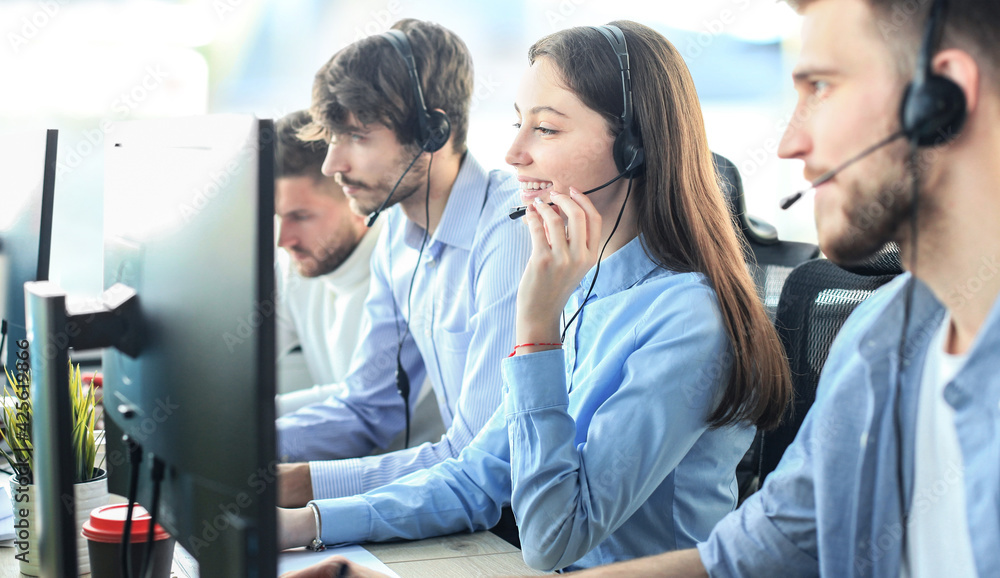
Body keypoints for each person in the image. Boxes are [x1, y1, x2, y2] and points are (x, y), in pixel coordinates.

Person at [390, 0, 995, 576]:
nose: (790, 143)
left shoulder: (686, 313)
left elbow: (558, 533)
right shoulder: (880, 336)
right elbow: (761, 549)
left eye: (821, 88)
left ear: (940, 100)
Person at [278, 20, 792, 574]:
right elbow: (476, 476)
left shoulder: (687, 319)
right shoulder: (585, 289)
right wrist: (306, 522)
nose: (513, 153)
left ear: (634, 147)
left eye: (545, 129)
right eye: (518, 123)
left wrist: (537, 327)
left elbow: (553, 537)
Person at [275, 19, 531, 508]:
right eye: (333, 137)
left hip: (514, 523)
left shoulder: (509, 231)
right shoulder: (395, 230)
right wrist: (238, 445)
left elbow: (480, 458)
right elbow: (368, 408)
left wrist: (304, 486)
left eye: (356, 137)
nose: (332, 164)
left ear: (433, 132)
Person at [272, 110, 379, 416]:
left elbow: (361, 403)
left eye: (301, 217)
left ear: (356, 201)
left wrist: (247, 418)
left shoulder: (402, 273)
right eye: (278, 217)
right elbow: (244, 360)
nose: (284, 240)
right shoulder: (298, 265)